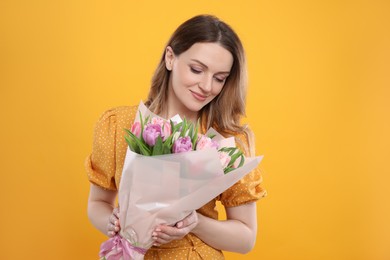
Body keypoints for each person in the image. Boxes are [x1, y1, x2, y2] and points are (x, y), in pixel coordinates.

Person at [86, 14, 266, 259]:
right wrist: (114, 221)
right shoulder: (119, 126)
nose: (206, 86)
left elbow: (246, 238)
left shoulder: (227, 140)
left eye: (219, 78)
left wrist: (193, 222)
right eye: (197, 69)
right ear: (170, 58)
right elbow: (97, 204)